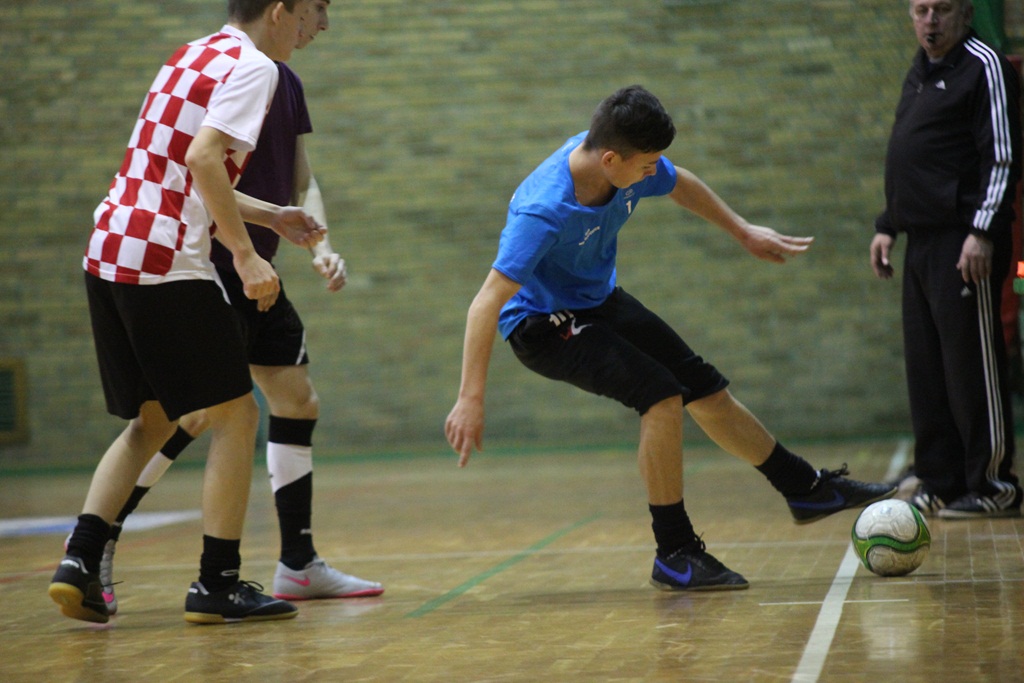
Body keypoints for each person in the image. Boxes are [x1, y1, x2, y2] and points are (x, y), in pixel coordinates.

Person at [445, 85, 896, 591]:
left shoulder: (625, 163)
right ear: (611, 158)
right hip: (541, 324)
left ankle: (805, 488)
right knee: (660, 395)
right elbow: (485, 302)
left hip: (596, 300)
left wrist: (742, 230)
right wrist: (470, 398)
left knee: (704, 388)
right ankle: (675, 552)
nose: (652, 170)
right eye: (646, 164)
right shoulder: (543, 211)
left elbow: (680, 182)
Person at [87, 0, 383, 617]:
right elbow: (201, 162)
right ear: (282, 11)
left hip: (125, 245)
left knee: (258, 403)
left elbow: (259, 176)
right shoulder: (254, 69)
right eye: (317, 10)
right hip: (188, 259)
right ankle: (203, 576)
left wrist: (295, 230)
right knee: (210, 415)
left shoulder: (201, 57)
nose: (322, 25)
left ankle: (88, 552)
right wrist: (246, 255)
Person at [870, 0, 1023, 518]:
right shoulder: (919, 72)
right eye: (921, 9)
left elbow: (1001, 156)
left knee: (970, 364)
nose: (930, 21)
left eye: (942, 9)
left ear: (965, 13)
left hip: (965, 242)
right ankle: (941, 478)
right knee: (928, 368)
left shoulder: (985, 66)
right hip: (921, 243)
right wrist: (889, 224)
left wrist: (982, 231)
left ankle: (994, 484)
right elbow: (909, 157)